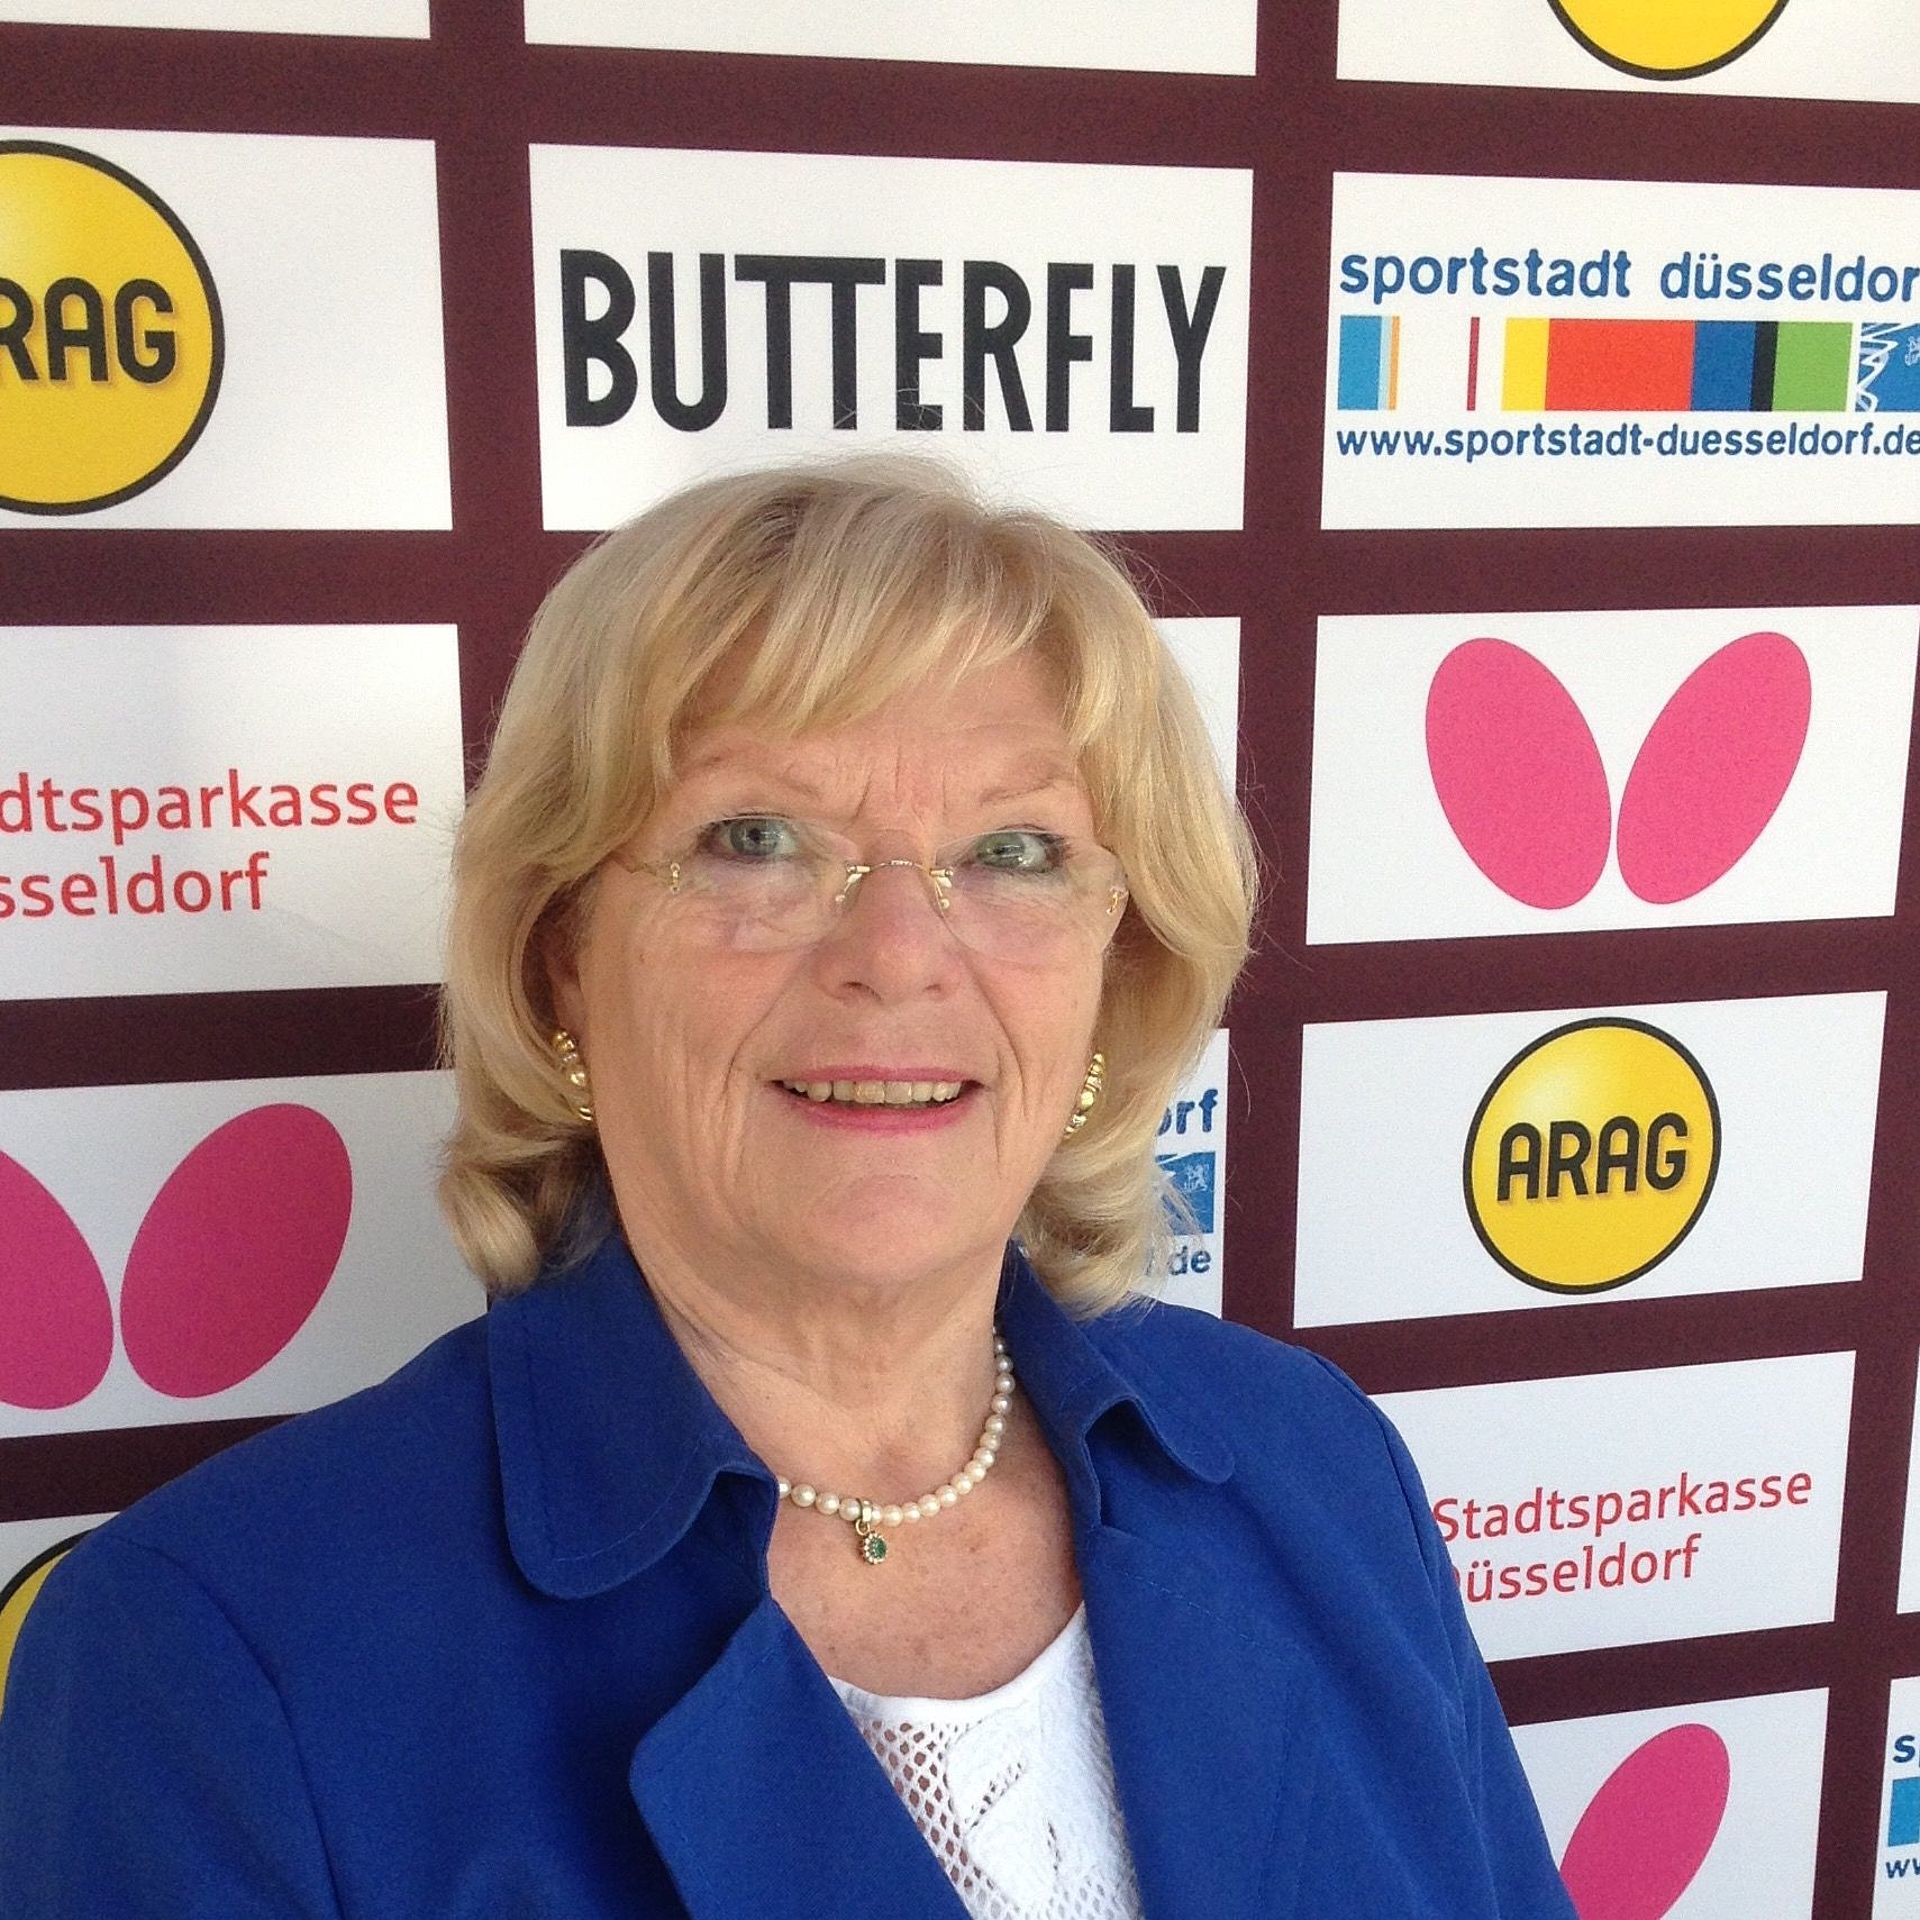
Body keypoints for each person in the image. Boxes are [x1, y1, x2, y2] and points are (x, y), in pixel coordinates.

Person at [0, 459, 1575, 1918]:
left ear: (1124, 960)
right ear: (560, 954)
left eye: (1015, 851)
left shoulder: (1315, 1465)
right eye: (757, 839)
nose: (899, 955)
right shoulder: (212, 1654)